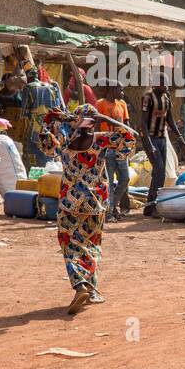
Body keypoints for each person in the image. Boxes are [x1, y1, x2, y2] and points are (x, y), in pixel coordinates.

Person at [37, 104, 136, 315]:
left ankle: (82, 286)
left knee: (71, 245)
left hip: (69, 202)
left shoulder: (65, 141)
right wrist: (109, 120)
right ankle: (90, 290)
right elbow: (130, 139)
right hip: (96, 202)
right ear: (94, 122)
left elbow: (46, 146)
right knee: (92, 245)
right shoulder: (100, 139)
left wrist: (50, 123)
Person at [141, 77, 185, 216]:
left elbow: (169, 119)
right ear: (156, 85)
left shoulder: (166, 97)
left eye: (167, 82)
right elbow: (142, 122)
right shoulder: (148, 97)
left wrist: (180, 138)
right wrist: (148, 144)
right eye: (163, 83)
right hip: (151, 139)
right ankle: (151, 206)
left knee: (159, 173)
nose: (166, 85)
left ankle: (152, 205)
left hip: (162, 138)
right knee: (159, 170)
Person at [95, 83, 131, 219]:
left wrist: (128, 142)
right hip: (107, 147)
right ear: (111, 90)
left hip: (121, 147)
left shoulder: (122, 104)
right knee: (108, 181)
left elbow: (126, 125)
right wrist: (98, 145)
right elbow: (97, 124)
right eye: (120, 90)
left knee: (125, 179)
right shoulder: (100, 104)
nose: (122, 93)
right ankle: (109, 212)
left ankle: (112, 205)